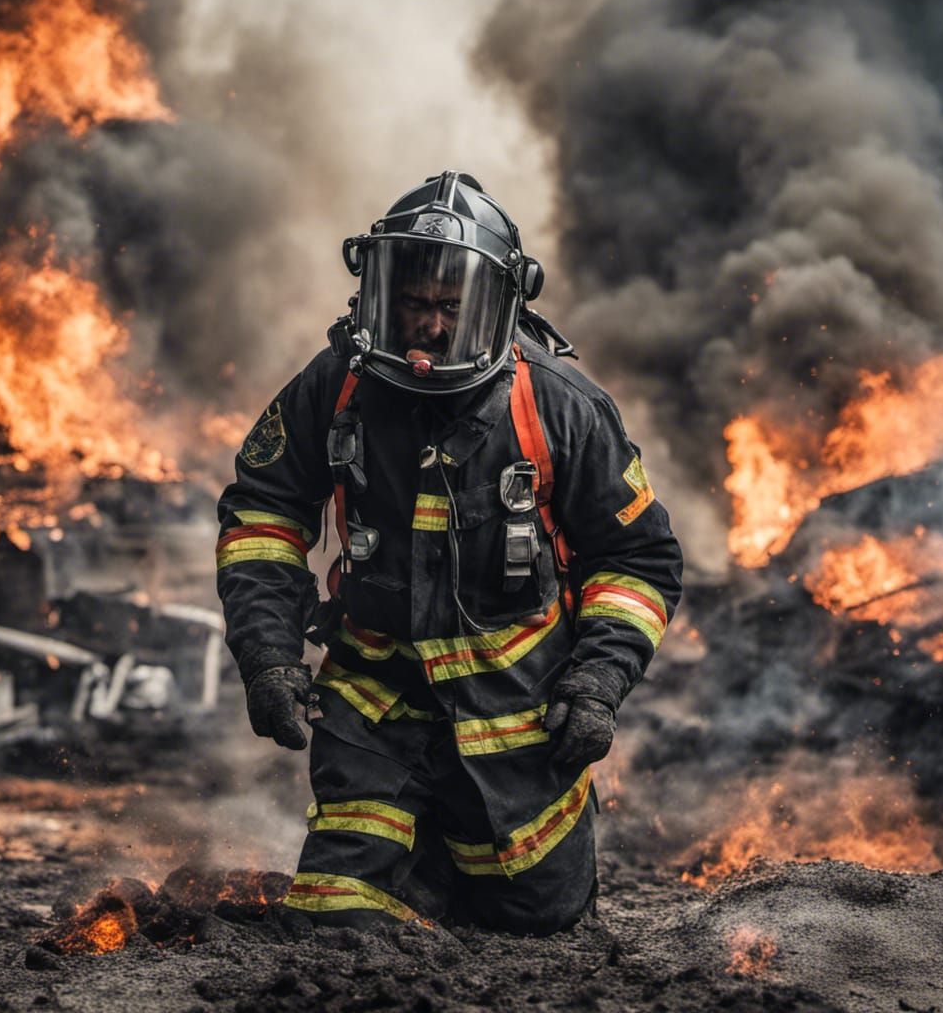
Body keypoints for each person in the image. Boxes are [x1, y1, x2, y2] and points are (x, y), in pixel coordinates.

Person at [216, 171, 683, 935]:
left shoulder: (560, 407)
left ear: (502, 306)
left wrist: (599, 682)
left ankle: (445, 864)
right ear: (377, 290)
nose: (428, 329)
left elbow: (638, 561)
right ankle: (393, 866)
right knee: (335, 928)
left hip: (521, 731)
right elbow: (262, 513)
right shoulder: (336, 385)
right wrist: (268, 656)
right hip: (375, 712)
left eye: (450, 308)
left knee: (533, 928)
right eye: (412, 303)